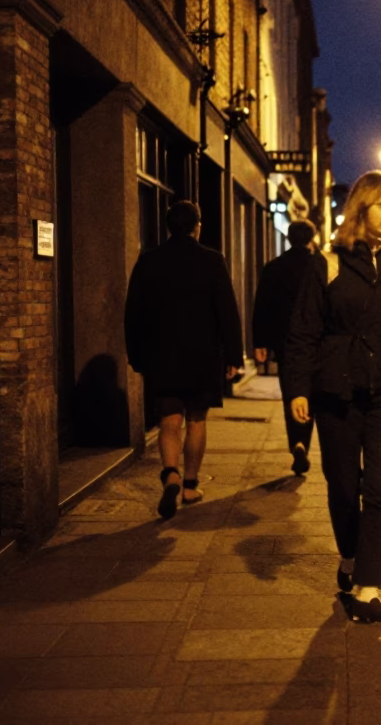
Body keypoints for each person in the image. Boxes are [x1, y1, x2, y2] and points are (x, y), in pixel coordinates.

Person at [282, 170, 381, 623]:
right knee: (343, 486)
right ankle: (350, 557)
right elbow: (303, 332)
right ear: (361, 207)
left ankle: (368, 586)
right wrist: (297, 389)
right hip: (337, 389)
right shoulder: (328, 262)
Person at [125, 200, 244, 520]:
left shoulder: (149, 261)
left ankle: (170, 474)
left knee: (169, 420)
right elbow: (227, 311)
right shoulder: (212, 260)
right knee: (196, 420)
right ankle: (190, 485)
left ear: (168, 227)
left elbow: (133, 312)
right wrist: (234, 354)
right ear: (197, 226)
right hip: (203, 355)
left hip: (162, 355)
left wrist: (136, 355)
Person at [252, 219, 327, 475]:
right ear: (312, 236)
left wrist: (260, 342)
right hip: (317, 340)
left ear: (288, 236)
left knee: (292, 391)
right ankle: (304, 441)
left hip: (285, 342)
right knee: (313, 391)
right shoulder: (319, 265)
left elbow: (261, 305)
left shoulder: (274, 267)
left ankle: (297, 441)